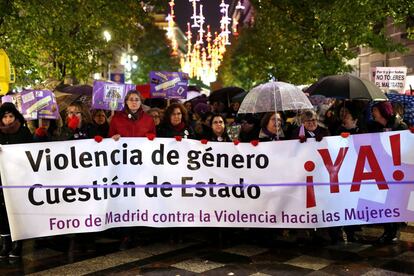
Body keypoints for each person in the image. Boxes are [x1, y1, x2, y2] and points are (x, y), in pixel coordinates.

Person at [367, 101, 407, 244]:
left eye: (375, 111)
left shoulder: (400, 126)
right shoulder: (374, 127)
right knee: (383, 200)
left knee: (394, 200)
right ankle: (388, 230)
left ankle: (393, 231)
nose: (373, 114)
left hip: (396, 172)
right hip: (381, 170)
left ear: (383, 111)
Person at [0, 102, 32, 258]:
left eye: (11, 116)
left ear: (16, 116)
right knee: (2, 212)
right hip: (1, 180)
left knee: (18, 211)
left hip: (19, 180)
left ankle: (18, 243)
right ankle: (5, 244)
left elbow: (32, 155)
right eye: (4, 116)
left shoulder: (24, 133)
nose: (8, 119)